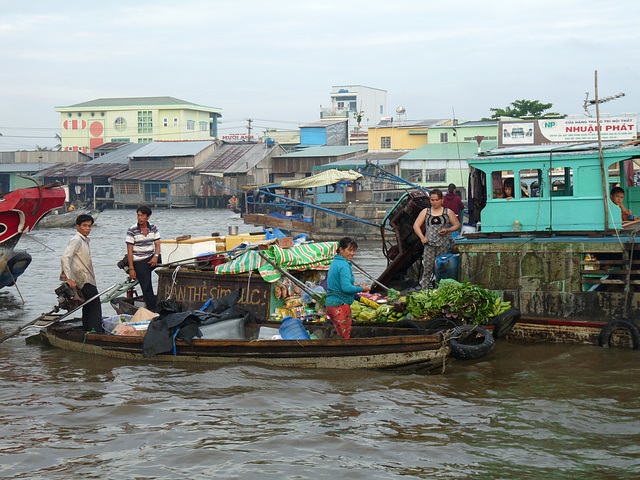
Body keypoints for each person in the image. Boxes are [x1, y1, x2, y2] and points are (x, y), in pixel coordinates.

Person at [60, 214, 103, 332]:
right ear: (78, 226)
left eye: (89, 226)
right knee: (94, 304)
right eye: (85, 226)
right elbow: (65, 257)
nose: (88, 229)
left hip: (86, 277)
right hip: (82, 278)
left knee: (88, 304)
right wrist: (69, 278)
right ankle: (95, 331)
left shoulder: (84, 240)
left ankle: (88, 329)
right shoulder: (76, 239)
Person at [413, 189, 461, 289]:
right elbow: (416, 226)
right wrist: (422, 238)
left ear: (442, 200)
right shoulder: (426, 212)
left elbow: (457, 225)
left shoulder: (447, 212)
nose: (435, 202)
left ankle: (440, 291)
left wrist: (447, 230)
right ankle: (425, 292)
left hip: (443, 246)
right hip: (429, 246)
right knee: (427, 270)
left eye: (437, 200)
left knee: (442, 270)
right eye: (432, 200)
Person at [325, 237, 370, 339]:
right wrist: (362, 289)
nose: (353, 253)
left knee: (340, 334)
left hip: (331, 305)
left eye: (354, 250)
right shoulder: (344, 265)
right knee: (344, 337)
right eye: (350, 250)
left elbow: (340, 285)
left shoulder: (335, 262)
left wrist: (356, 286)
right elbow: (346, 289)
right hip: (339, 306)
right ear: (341, 250)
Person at [126, 206, 161, 311]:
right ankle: (152, 310)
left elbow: (157, 245)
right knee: (147, 286)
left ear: (148, 217)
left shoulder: (153, 228)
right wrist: (131, 268)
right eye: (138, 215)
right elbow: (129, 251)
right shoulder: (132, 230)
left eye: (142, 215)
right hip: (139, 260)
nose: (140, 218)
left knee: (169, 259)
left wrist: (155, 257)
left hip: (151, 257)